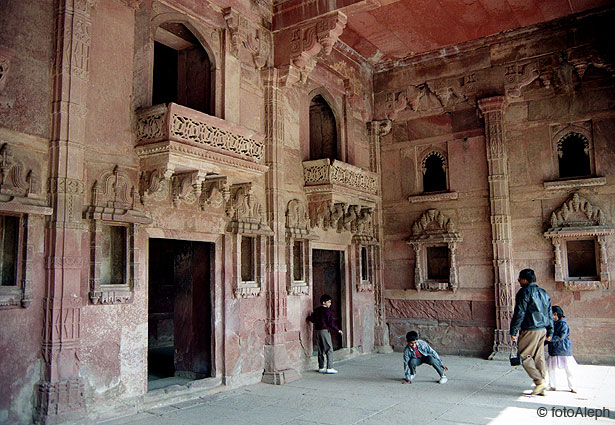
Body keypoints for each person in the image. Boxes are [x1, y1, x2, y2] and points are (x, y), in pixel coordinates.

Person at [510, 268, 553, 396]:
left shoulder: (524, 292)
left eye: (519, 279)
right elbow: (549, 313)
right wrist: (550, 331)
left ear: (524, 279)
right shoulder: (543, 292)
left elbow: (520, 313)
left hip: (530, 329)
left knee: (524, 356)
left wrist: (514, 330)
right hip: (542, 329)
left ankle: (539, 382)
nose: (519, 282)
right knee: (539, 357)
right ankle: (542, 385)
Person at [308, 294, 343, 374]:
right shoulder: (327, 311)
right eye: (328, 302)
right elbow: (331, 323)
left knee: (320, 349)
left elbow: (312, 319)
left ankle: (321, 367)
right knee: (329, 349)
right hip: (324, 331)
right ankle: (330, 367)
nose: (330, 304)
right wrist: (338, 330)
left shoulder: (316, 310)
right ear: (324, 302)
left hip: (317, 331)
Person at [546, 306, 578, 393]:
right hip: (554, 349)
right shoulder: (553, 323)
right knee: (551, 369)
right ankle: (552, 385)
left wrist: (550, 339)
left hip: (563, 349)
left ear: (555, 314)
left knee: (569, 369)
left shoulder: (563, 324)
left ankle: (573, 386)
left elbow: (561, 336)